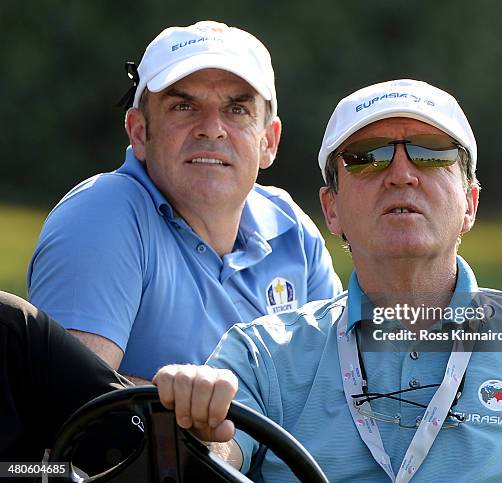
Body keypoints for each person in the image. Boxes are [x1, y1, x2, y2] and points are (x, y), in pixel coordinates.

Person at [3, 79, 502, 481]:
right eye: (366, 158)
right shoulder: (263, 351)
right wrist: (200, 428)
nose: (401, 173)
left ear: (471, 201)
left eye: (428, 153)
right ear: (332, 209)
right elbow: (219, 458)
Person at [26, 21, 342, 383]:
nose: (211, 127)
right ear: (140, 132)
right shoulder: (101, 214)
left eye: (236, 109)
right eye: (183, 107)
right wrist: (196, 416)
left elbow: (339, 395)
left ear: (268, 141)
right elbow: (71, 402)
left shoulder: (293, 230)